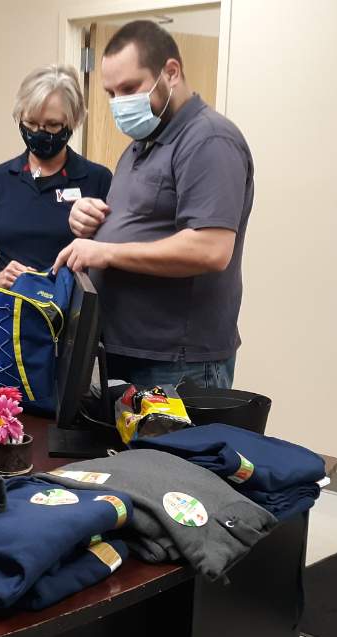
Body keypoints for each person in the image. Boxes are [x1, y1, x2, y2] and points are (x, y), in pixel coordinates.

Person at [54, 20, 254, 391]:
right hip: (127, 352)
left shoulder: (209, 140)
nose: (119, 104)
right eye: (111, 93)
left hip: (177, 364)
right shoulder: (141, 144)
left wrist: (106, 251)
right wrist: (91, 221)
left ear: (171, 72)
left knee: (171, 453)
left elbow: (211, 249)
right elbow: (145, 223)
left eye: (130, 88)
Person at [0, 64, 112, 330]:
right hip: (5, 325)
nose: (39, 133)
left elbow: (110, 260)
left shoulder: (97, 180)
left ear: (72, 122)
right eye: (30, 123)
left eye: (52, 125)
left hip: (69, 329)